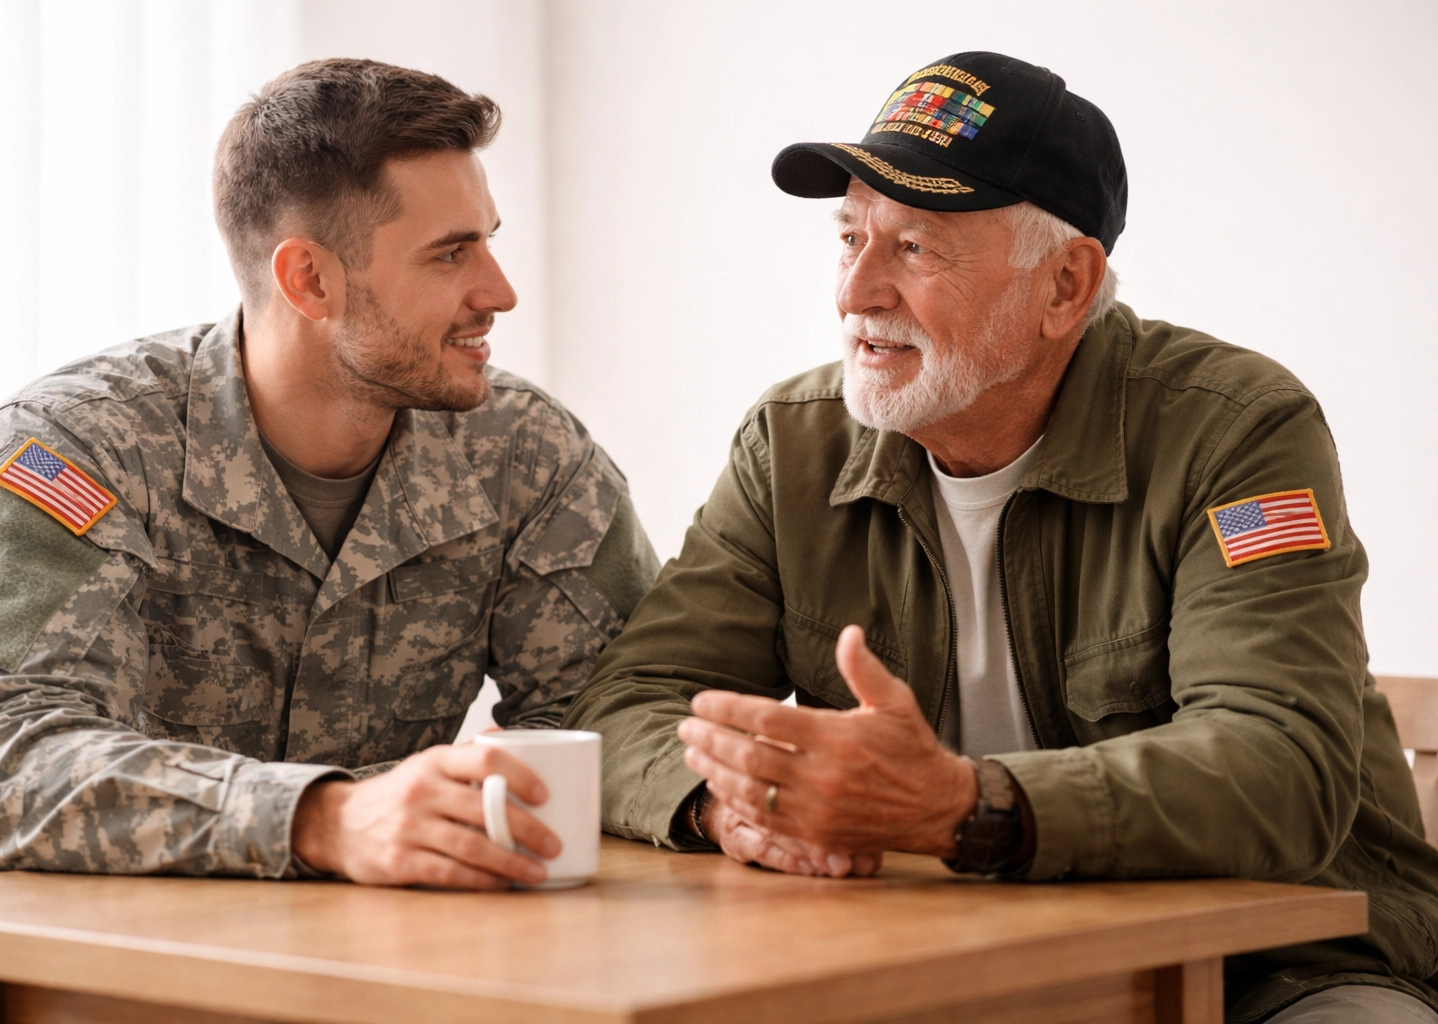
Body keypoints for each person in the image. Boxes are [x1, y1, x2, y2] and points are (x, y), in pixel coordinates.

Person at [563, 52, 1438, 1023]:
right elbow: (625, 704)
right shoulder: (792, 445)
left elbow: (1285, 766)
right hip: (948, 962)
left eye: (914, 250)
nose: (856, 293)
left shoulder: (1235, 430)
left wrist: (963, 805)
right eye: (849, 237)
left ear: (1066, 284)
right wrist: (730, 802)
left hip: (1281, 963)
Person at [0, 57, 660, 914]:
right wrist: (324, 818)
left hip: (353, 953)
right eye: (451, 253)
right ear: (309, 279)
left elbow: (623, 718)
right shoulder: (75, 451)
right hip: (34, 970)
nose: (501, 291)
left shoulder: (525, 453)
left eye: (489, 239)